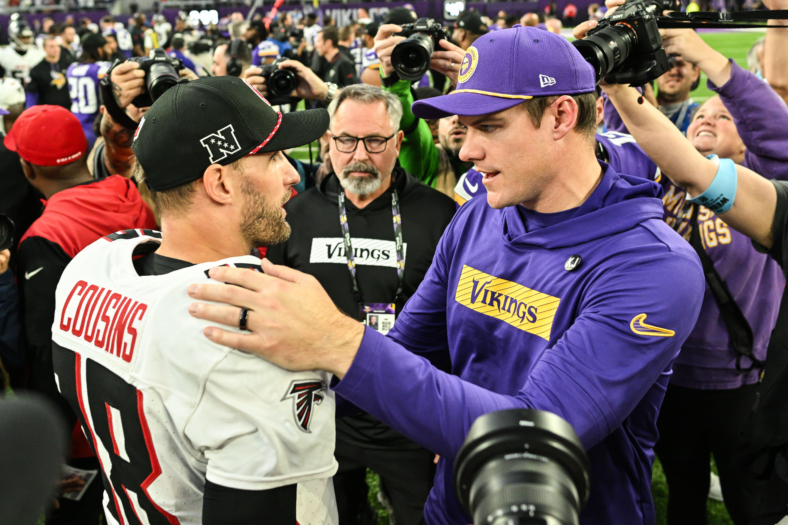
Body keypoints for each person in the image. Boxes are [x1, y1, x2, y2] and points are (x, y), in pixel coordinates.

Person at [187, 26, 706, 525]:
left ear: (561, 115)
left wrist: (335, 339)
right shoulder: (480, 214)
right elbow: (410, 347)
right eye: (466, 126)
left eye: (490, 126)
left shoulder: (652, 266)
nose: (466, 151)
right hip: (450, 505)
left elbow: (536, 435)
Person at [52, 73, 338, 524]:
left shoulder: (90, 269)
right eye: (273, 157)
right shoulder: (247, 335)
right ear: (220, 183)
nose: (291, 176)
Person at [577, 14, 788, 524]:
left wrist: (705, 55)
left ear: (748, 143)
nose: (707, 120)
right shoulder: (653, 178)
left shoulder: (761, 183)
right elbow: (625, 139)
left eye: (726, 118)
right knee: (683, 490)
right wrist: (613, 75)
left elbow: (777, 128)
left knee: (751, 498)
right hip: (669, 372)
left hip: (741, 381)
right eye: (701, 116)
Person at [266, 83, 456, 525]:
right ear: (327, 142)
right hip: (323, 413)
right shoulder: (294, 216)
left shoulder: (442, 215)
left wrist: (447, 423)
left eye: (375, 141)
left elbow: (459, 326)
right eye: (345, 141)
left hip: (412, 415)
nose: (359, 155)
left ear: (399, 142)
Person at [12, 105, 156, 524]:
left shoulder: (45, 235)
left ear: (26, 166)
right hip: (147, 403)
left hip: (85, 428)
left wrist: (49, 452)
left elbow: (44, 352)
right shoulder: (133, 195)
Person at [66, 33, 112, 150]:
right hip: (94, 127)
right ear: (99, 49)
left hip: (74, 125)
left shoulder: (72, 68)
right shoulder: (102, 68)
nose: (110, 50)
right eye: (106, 47)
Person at [26, 35, 73, 109]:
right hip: (47, 110)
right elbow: (32, 94)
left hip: (68, 109)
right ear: (44, 48)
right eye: (52, 46)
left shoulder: (69, 65)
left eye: (57, 46)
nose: (56, 49)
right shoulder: (37, 70)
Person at [0, 17, 45, 87]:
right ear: (13, 37)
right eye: (23, 37)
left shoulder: (38, 53)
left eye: (28, 37)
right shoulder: (3, 53)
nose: (26, 41)